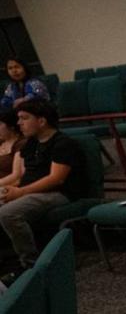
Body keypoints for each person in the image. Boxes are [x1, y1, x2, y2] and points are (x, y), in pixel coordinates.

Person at [0, 100, 82, 281]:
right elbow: (22, 175)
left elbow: (56, 179)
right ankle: (7, 259)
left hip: (58, 194)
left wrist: (20, 192)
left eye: (24, 118)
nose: (19, 123)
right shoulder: (31, 144)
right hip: (30, 191)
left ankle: (31, 265)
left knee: (8, 213)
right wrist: (12, 189)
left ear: (42, 121)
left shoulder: (62, 143)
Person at [0, 110, 26, 178]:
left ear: (11, 127)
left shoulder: (21, 143)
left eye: (0, 124)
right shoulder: (1, 142)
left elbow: (16, 176)